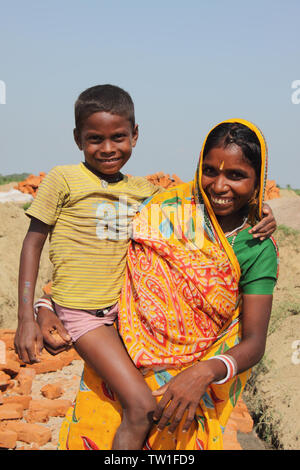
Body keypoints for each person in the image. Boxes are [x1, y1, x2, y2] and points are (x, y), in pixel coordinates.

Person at [36, 118, 278, 450]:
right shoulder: (162, 210)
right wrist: (44, 303)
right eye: (210, 171)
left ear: (258, 180)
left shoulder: (257, 245)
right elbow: (95, 257)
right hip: (121, 373)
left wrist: (203, 374)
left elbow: (254, 341)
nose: (219, 186)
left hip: (184, 395)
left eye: (236, 175)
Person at [14, 84, 168, 450]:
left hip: (127, 314)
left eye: (118, 137)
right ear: (77, 138)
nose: (108, 148)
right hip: (84, 313)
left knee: (146, 401)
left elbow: (198, 214)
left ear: (135, 135)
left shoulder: (144, 191)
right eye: (94, 139)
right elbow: (33, 243)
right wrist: (27, 314)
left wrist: (261, 210)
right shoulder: (63, 180)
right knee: (142, 407)